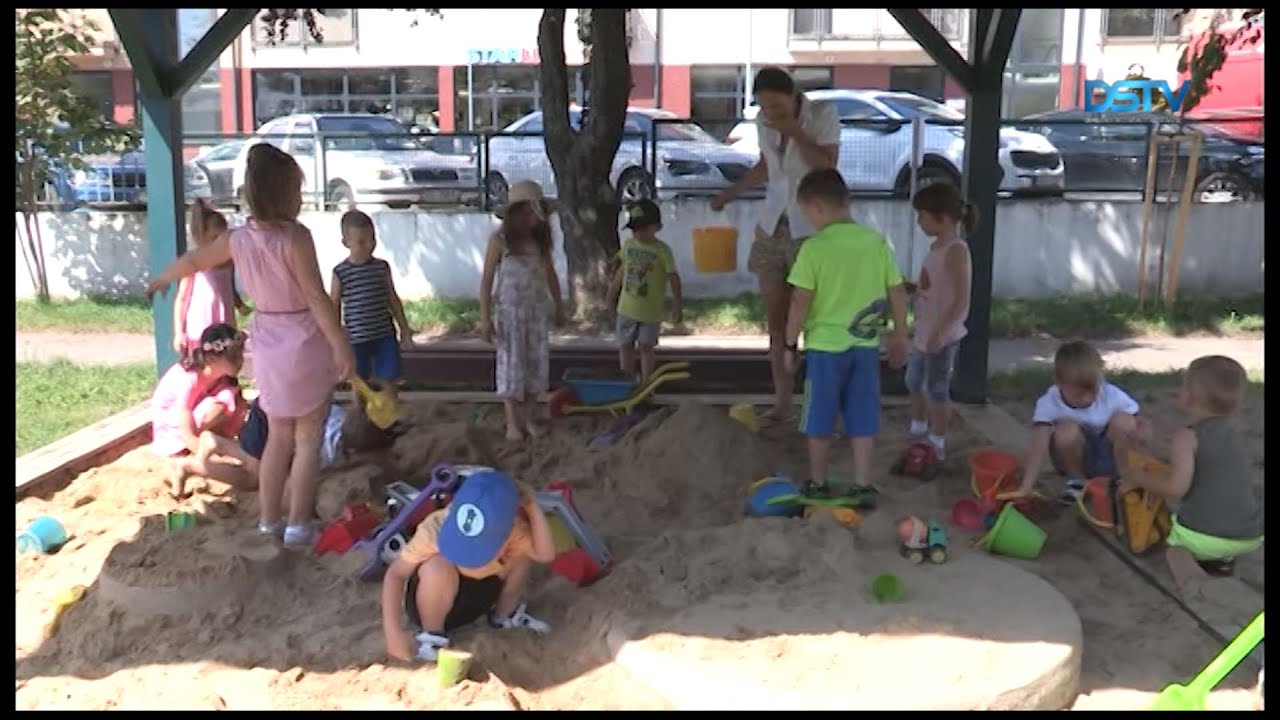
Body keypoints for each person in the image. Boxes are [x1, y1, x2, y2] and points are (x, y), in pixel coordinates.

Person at [147, 143, 355, 548]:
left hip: (268, 342)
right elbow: (315, 296)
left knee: (278, 436)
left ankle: (268, 521)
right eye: (297, 189)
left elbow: (194, 261)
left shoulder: (238, 240)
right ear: (285, 194)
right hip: (303, 340)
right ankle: (298, 525)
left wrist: (161, 278)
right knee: (308, 438)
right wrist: (340, 344)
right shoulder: (296, 237)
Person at [711, 67, 841, 421]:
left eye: (778, 107)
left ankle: (819, 404)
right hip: (772, 225)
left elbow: (828, 166)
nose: (772, 115)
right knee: (776, 322)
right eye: (765, 108)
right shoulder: (762, 123)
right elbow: (767, 167)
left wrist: (795, 132)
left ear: (794, 95)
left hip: (809, 228)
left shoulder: (822, 116)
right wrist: (730, 193)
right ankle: (783, 402)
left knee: (814, 322)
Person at [782, 169, 909, 496]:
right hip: (865, 346)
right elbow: (896, 291)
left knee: (819, 417)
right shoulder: (875, 242)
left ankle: (818, 482)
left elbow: (800, 299)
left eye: (806, 213)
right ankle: (863, 483)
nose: (807, 220)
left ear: (818, 207)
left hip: (825, 348)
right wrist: (899, 334)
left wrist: (788, 342)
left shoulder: (813, 248)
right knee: (863, 415)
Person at [381, 469, 556, 664]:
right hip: (435, 604)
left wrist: (532, 506)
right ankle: (432, 638)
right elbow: (396, 574)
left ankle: (504, 616)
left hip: (481, 597)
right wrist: (392, 630)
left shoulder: (512, 531)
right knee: (436, 566)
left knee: (522, 555)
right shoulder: (435, 528)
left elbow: (544, 554)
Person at [1121, 355, 1263, 586]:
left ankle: (1194, 580)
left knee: (1173, 548)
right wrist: (1150, 443)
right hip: (1251, 534)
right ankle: (1221, 561)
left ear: (1187, 396)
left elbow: (1175, 488)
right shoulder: (1231, 432)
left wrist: (1137, 476)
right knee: (1218, 528)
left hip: (1206, 537)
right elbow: (1193, 460)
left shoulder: (1187, 436)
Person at [479, 180, 567, 441]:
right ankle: (511, 423)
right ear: (513, 214)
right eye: (526, 211)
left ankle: (528, 418)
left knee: (534, 367)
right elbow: (486, 281)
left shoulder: (540, 243)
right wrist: (485, 318)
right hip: (510, 314)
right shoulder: (500, 241)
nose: (532, 217)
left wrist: (560, 306)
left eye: (536, 211)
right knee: (511, 368)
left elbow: (550, 275)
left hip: (536, 314)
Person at [1015, 340, 1149, 504]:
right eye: (1078, 394)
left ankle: (1124, 479)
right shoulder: (1049, 402)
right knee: (1066, 430)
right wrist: (1026, 486)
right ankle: (1077, 483)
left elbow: (1140, 421)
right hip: (1075, 460)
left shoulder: (1111, 395)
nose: (1087, 398)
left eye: (1093, 391)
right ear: (1059, 382)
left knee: (1124, 421)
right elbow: (1038, 445)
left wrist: (1141, 434)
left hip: (1110, 456)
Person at [903, 182, 975, 462]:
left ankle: (937, 439)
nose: (919, 222)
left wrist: (940, 333)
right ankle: (920, 427)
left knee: (936, 387)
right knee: (913, 380)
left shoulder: (956, 250)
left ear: (943, 218)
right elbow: (931, 287)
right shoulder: (936, 247)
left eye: (923, 216)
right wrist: (912, 289)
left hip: (942, 335)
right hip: (926, 331)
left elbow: (960, 299)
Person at [149, 323, 257, 499]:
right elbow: (183, 412)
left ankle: (215, 441)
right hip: (174, 423)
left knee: (232, 397)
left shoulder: (220, 378)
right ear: (210, 359)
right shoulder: (188, 377)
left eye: (239, 354)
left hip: (195, 415)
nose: (239, 361)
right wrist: (192, 441)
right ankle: (199, 447)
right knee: (219, 405)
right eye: (232, 357)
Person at [330, 209, 415, 385]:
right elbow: (334, 305)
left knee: (389, 375)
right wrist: (336, 336)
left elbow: (393, 299)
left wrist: (405, 330)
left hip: (384, 334)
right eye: (361, 242)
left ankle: (391, 407)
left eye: (372, 239)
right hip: (355, 337)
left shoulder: (381, 267)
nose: (369, 245)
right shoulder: (341, 272)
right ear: (346, 242)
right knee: (359, 378)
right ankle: (357, 408)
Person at [607, 199, 682, 382]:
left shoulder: (663, 251)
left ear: (656, 227)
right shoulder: (629, 245)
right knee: (625, 346)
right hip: (627, 309)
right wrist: (611, 293)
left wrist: (677, 305)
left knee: (646, 347)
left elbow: (673, 278)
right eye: (634, 230)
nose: (637, 234)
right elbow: (620, 265)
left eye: (643, 229)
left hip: (650, 312)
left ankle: (647, 383)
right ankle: (626, 380)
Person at [173, 200, 247, 357]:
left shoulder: (229, 261)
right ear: (202, 235)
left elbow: (230, 288)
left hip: (225, 323)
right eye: (215, 237)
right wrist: (179, 332)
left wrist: (240, 305)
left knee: (228, 359)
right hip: (201, 326)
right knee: (201, 364)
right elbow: (182, 299)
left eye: (223, 237)